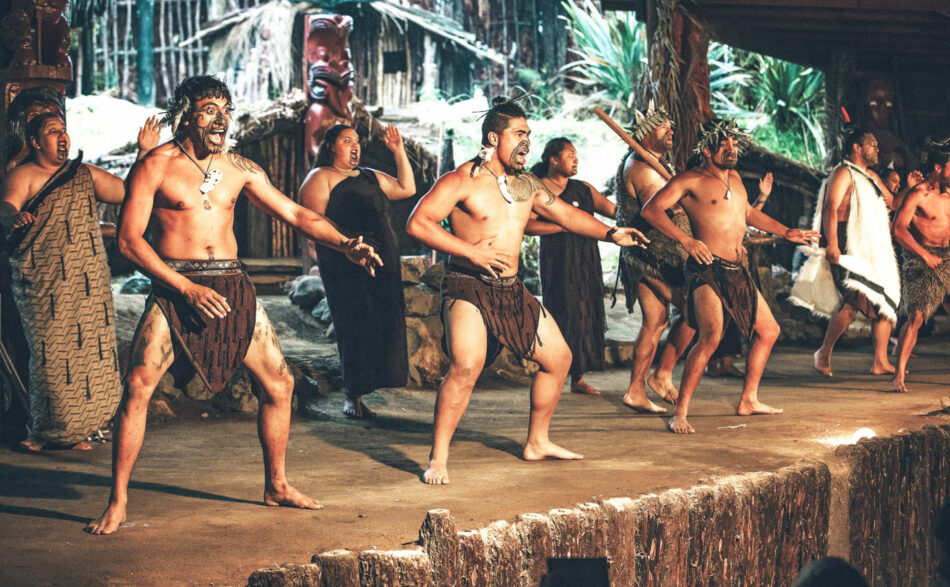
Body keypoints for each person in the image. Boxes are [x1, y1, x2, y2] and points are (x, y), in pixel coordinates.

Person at [85, 76, 381, 535]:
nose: (220, 117)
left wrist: (345, 244)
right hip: (175, 286)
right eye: (208, 108)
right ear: (186, 115)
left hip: (231, 285)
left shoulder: (240, 167)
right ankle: (118, 500)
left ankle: (277, 484)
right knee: (139, 385)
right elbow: (128, 242)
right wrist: (184, 288)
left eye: (226, 108)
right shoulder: (155, 165)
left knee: (280, 384)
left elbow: (297, 214)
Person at [406, 96, 647, 484]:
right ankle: (438, 458)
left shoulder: (528, 186)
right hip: (468, 286)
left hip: (511, 289)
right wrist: (470, 252)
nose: (527, 142)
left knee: (560, 358)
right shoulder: (460, 180)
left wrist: (610, 232)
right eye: (519, 134)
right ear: (493, 137)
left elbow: (566, 214)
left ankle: (537, 442)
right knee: (466, 365)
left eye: (529, 135)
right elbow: (419, 223)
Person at [641, 118, 818, 434]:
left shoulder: (735, 178)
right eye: (726, 144)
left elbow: (749, 214)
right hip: (707, 267)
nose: (733, 149)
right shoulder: (689, 181)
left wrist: (787, 231)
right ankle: (679, 412)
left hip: (737, 269)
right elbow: (651, 210)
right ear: (708, 149)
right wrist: (686, 240)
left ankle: (748, 399)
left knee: (769, 330)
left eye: (735, 144)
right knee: (711, 334)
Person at [0, 112, 159, 451]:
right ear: (34, 142)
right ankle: (43, 432)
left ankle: (80, 431)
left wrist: (144, 153)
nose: (62, 136)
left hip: (86, 280)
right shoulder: (24, 174)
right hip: (44, 281)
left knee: (92, 353)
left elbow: (128, 190)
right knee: (50, 355)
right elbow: (5, 207)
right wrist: (16, 216)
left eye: (64, 131)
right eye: (52, 131)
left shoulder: (82, 174)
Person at [299, 123, 415, 418]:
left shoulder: (369, 175)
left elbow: (407, 188)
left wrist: (398, 150)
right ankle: (354, 396)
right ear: (330, 147)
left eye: (357, 141)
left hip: (382, 257)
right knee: (354, 323)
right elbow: (313, 222)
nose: (355, 145)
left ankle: (377, 381)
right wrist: (346, 246)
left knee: (384, 318)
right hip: (344, 261)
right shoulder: (319, 177)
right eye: (347, 140)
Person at [789, 127, 900, 377]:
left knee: (883, 300)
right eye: (871, 144)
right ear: (857, 148)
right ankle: (824, 352)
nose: (877, 148)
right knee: (853, 300)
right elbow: (830, 208)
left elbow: (893, 203)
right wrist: (833, 245)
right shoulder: (842, 173)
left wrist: (915, 187)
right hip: (848, 243)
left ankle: (880, 360)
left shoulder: (870, 176)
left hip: (872, 248)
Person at [614, 103, 693, 412]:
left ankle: (636, 390)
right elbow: (658, 211)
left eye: (671, 124)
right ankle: (661, 374)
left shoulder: (650, 163)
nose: (670, 129)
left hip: (644, 253)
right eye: (663, 126)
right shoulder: (642, 168)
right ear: (646, 132)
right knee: (695, 313)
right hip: (652, 254)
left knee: (656, 321)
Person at [525, 137, 614, 396]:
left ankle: (578, 377)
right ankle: (554, 371)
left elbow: (611, 209)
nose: (576, 159)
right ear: (553, 159)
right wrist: (562, 225)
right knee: (564, 311)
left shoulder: (583, 189)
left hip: (586, 259)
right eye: (570, 154)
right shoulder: (538, 190)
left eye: (576, 155)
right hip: (558, 259)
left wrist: (643, 214)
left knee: (587, 310)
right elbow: (528, 225)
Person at [889, 143, 950, 393]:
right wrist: (924, 255)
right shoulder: (920, 194)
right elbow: (898, 229)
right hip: (921, 257)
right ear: (938, 167)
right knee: (916, 316)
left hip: (948, 257)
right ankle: (899, 374)